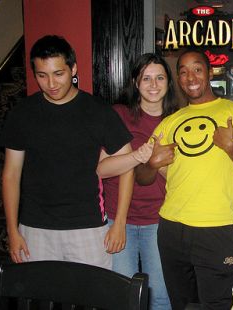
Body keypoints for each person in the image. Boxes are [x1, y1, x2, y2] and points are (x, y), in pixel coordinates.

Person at [136, 49, 233, 310]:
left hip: (215, 228)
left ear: (209, 72)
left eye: (196, 69)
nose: (190, 76)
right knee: (182, 305)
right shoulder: (170, 122)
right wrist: (152, 164)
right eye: (182, 71)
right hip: (171, 228)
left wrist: (231, 148)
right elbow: (143, 178)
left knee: (216, 304)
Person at [0, 35, 133, 269]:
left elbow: (128, 165)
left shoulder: (98, 111)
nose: (51, 83)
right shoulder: (22, 114)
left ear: (73, 69)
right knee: (40, 298)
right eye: (42, 75)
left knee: (92, 298)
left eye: (58, 73)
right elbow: (11, 174)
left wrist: (119, 222)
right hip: (34, 227)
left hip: (87, 226)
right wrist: (12, 230)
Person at [100, 53, 178, 310]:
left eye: (159, 78)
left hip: (160, 220)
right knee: (123, 296)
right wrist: (137, 157)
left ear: (169, 82)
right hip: (119, 218)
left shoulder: (177, 120)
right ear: (135, 82)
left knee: (160, 296)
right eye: (146, 78)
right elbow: (102, 169)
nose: (153, 85)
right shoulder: (119, 114)